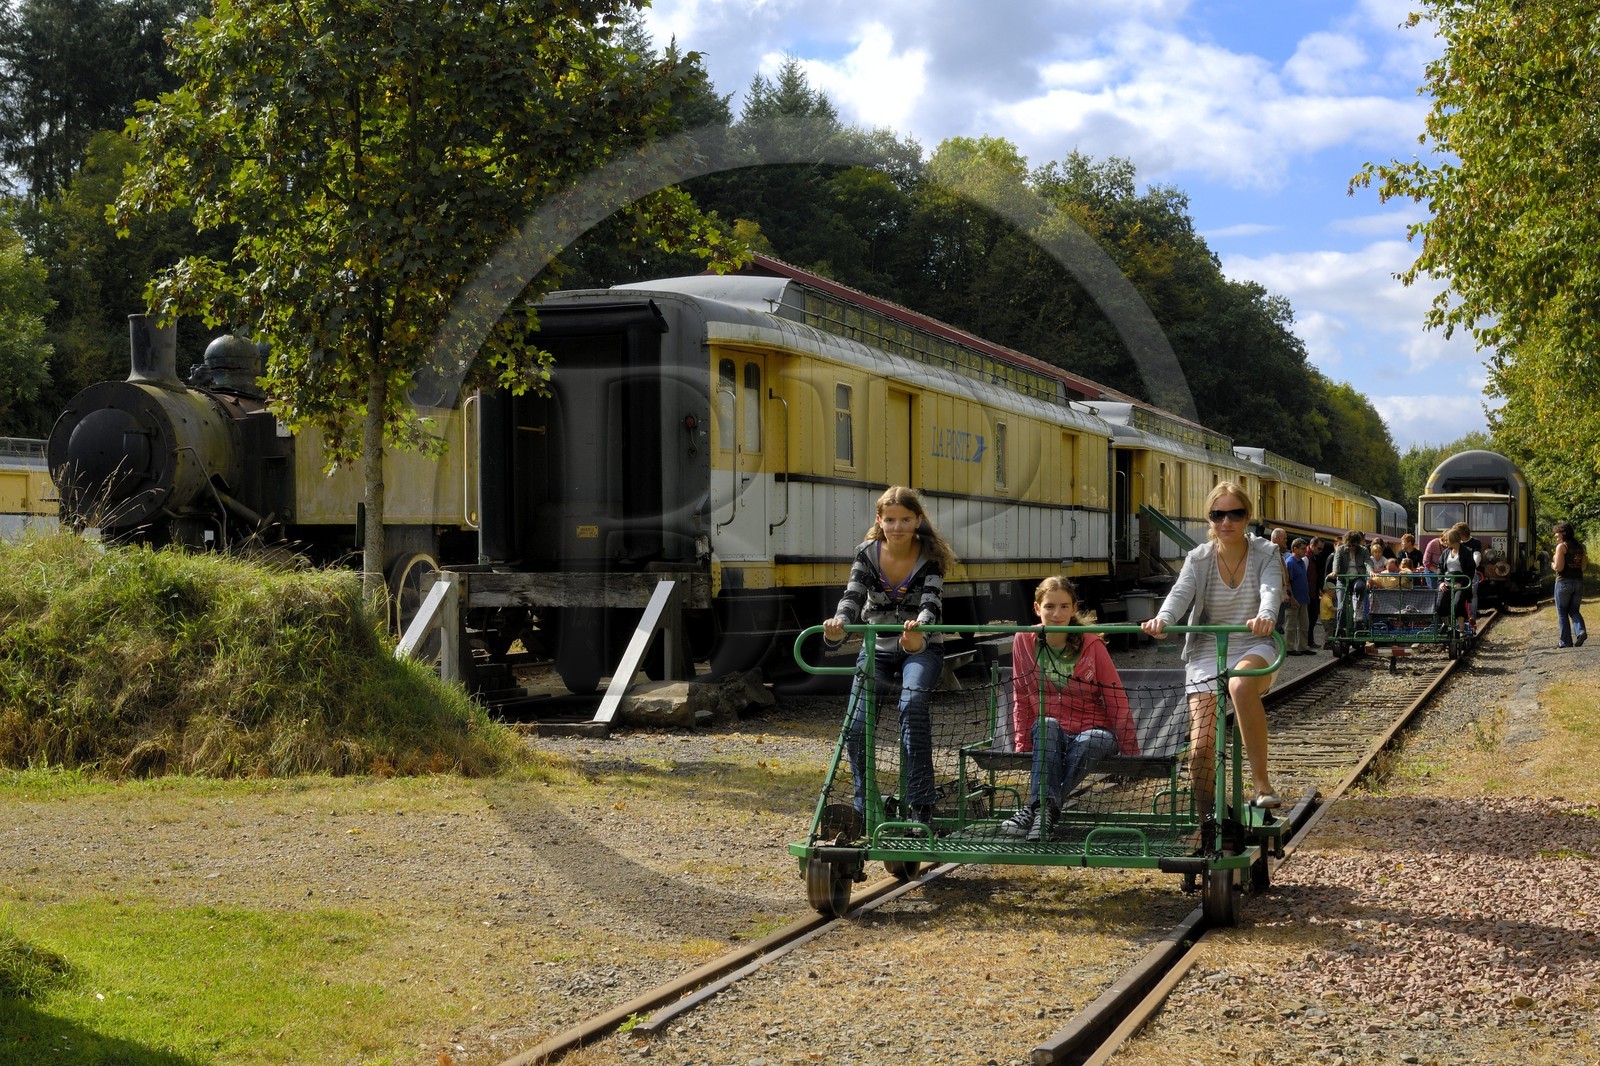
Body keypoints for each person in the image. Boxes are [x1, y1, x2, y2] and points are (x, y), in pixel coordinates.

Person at [1141, 482, 1283, 816]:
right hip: (1207, 649)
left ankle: (1261, 784)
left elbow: (1270, 589)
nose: (1226, 522)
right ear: (1210, 519)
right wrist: (1163, 618)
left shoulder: (1267, 552)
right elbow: (1180, 593)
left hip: (1254, 643)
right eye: (1218, 515)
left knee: (1240, 683)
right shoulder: (1199, 558)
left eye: (1235, 513)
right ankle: (1206, 819)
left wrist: (1266, 615)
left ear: (1247, 516)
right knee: (1201, 746)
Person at [823, 487, 956, 825]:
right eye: (891, 519)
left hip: (921, 648)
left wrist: (919, 629)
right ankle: (864, 804)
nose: (897, 526)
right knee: (856, 727)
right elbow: (852, 596)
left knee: (911, 708)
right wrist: (839, 623)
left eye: (906, 519)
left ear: (918, 521)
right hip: (877, 647)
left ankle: (921, 805)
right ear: (879, 520)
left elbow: (931, 603)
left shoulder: (931, 557)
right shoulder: (866, 554)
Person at [999, 577, 1139, 841]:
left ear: (1074, 608)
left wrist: (1130, 750)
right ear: (1037, 608)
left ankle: (1036, 809)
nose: (1057, 613)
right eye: (1050, 606)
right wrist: (1022, 744)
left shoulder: (1091, 644)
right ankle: (1045, 812)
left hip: (1093, 731)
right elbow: (1021, 693)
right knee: (1045, 724)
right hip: (1052, 736)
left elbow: (1115, 697)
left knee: (1094, 739)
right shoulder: (1023, 640)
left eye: (1064, 606)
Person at [1433, 526, 1477, 634]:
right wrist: (1441, 582)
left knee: (1457, 604)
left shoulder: (1466, 552)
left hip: (1461, 582)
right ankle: (1447, 624)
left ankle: (1461, 629)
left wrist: (1462, 583)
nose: (1445, 542)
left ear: (1453, 539)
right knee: (1440, 603)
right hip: (1447, 581)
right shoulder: (1446, 553)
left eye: (1447, 540)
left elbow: (1471, 569)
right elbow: (1440, 567)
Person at [1552, 521, 1588, 649]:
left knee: (1562, 612)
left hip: (1563, 583)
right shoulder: (1580, 547)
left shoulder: (1562, 547)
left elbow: (1559, 567)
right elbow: (1583, 567)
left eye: (1557, 533)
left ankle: (1566, 642)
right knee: (1574, 610)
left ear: (1564, 533)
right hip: (1578, 582)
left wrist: (1553, 565)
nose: (1556, 536)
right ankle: (1580, 631)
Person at [1329, 530, 1368, 632]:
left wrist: (1371, 571)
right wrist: (1334, 572)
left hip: (1357, 577)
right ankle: (1341, 627)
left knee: (1360, 587)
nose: (1352, 548)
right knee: (1341, 605)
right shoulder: (1341, 550)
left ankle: (1358, 617)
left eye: (1354, 546)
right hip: (1343, 578)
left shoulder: (1363, 550)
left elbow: (1368, 562)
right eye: (1350, 545)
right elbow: (1336, 561)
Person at [1284, 538, 1310, 654]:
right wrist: (1292, 598)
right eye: (1303, 549)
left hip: (1303, 599)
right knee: (1291, 625)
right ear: (1295, 548)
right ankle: (1289, 647)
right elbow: (1287, 582)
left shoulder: (1302, 562)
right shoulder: (1290, 563)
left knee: (1304, 625)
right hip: (1293, 600)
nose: (1305, 551)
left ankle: (1302, 646)